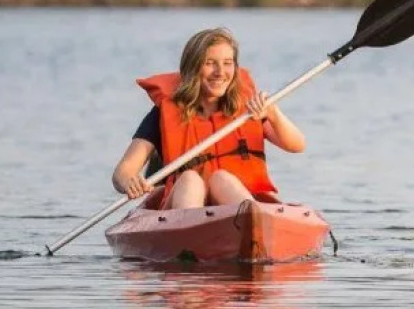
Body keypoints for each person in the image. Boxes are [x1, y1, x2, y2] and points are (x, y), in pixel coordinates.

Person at [111, 27, 306, 208]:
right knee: (190, 178)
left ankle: (250, 223)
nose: (220, 72)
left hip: (233, 204)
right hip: (183, 205)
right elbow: (123, 172)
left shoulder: (248, 110)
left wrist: (274, 114)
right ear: (192, 68)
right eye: (209, 63)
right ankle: (190, 235)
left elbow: (297, 145)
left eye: (227, 63)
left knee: (222, 178)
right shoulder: (163, 114)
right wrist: (129, 182)